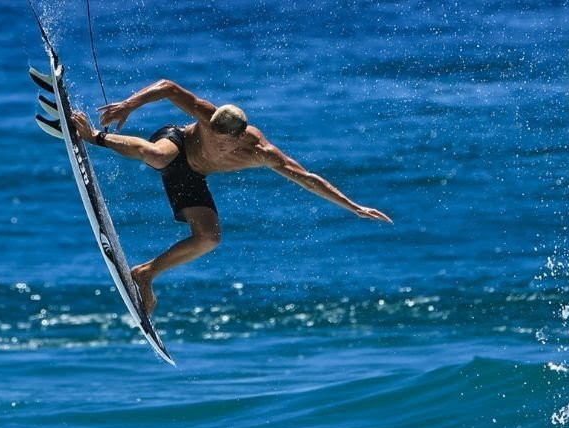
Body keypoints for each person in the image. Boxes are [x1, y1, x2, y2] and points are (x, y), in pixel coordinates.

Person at [69, 78, 391, 317]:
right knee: (156, 155)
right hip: (175, 145)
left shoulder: (262, 153)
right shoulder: (206, 116)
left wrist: (354, 207)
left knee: (210, 238)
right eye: (214, 136)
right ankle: (94, 136)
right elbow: (168, 87)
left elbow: (307, 179)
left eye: (225, 143)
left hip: (192, 177)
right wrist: (128, 105)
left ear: (240, 137)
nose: (218, 145)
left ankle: (146, 274)